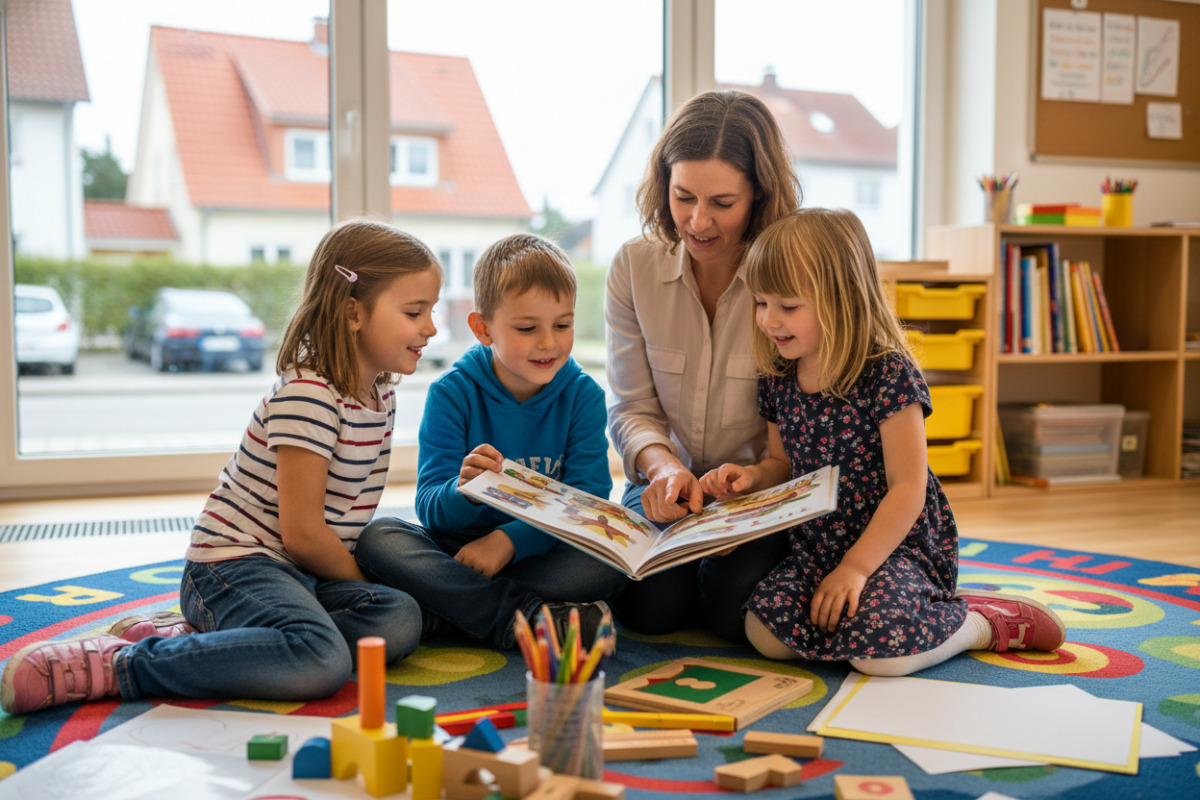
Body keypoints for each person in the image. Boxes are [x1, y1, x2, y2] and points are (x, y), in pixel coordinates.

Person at [1, 218, 438, 715]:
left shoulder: (380, 393)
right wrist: (362, 581)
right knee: (320, 659)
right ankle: (124, 665)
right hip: (234, 565)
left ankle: (218, 634)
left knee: (399, 620)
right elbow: (303, 535)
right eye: (414, 311)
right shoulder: (310, 395)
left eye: (430, 311)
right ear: (352, 312)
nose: (430, 328)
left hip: (301, 574)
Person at [699, 208, 1066, 675]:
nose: (769, 320)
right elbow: (782, 465)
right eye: (761, 303)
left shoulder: (888, 372)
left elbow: (908, 489)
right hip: (819, 546)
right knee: (763, 632)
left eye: (788, 306)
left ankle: (983, 622)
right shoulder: (778, 376)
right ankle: (884, 615)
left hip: (897, 547)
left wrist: (855, 568)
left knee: (879, 659)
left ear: (842, 299)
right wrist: (751, 477)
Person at [355, 233, 625, 650]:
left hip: (535, 552)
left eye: (563, 325)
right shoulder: (453, 392)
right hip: (457, 552)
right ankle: (527, 618)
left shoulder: (583, 395)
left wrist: (509, 542)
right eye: (526, 328)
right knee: (379, 537)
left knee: (605, 563)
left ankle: (450, 609)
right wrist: (465, 491)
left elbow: (586, 502)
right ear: (483, 329)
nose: (548, 343)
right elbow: (429, 507)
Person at [605, 89, 801, 641]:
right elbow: (631, 407)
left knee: (729, 613)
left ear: (759, 196)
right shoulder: (634, 268)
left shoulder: (788, 278)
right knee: (651, 612)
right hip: (665, 487)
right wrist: (663, 467)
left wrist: (756, 487)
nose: (697, 221)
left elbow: (800, 427)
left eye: (722, 203)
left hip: (758, 495)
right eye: (683, 196)